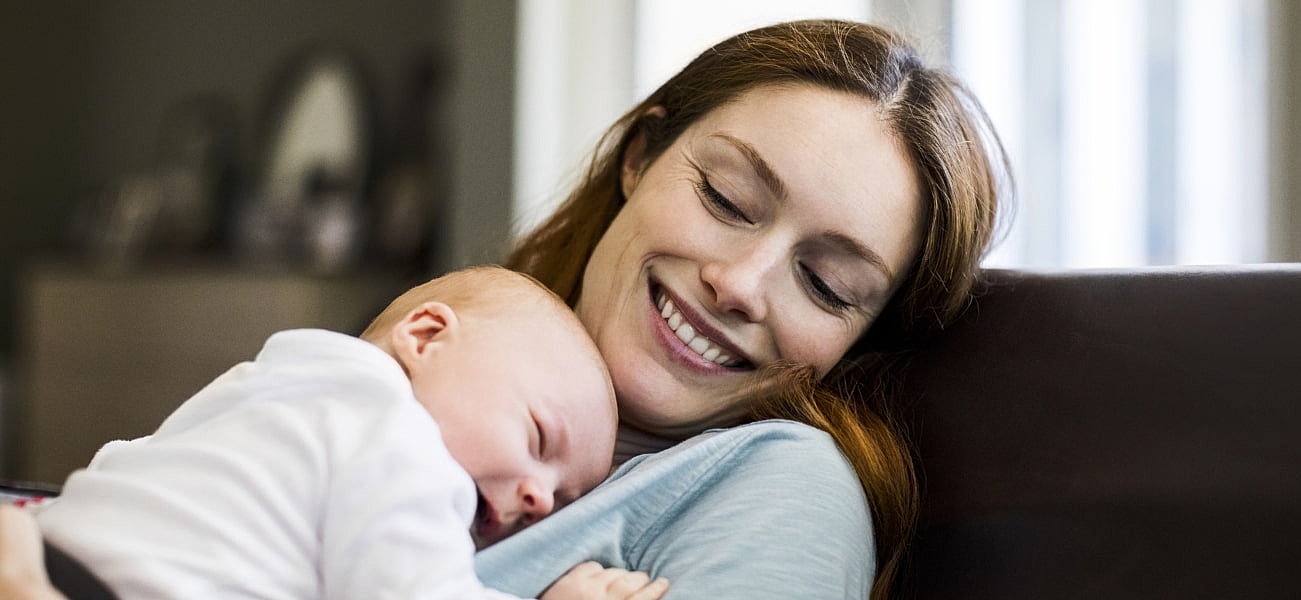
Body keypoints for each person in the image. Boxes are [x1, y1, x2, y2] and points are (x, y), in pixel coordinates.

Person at [1, 18, 1007, 600]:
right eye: (729, 200)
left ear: (860, 341)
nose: (742, 286)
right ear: (641, 155)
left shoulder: (783, 488)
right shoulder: (416, 385)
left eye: (829, 285)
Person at [29, 266, 670, 599]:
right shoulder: (398, 438)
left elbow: (126, 460)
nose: (538, 497)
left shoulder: (270, 382)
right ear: (424, 338)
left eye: (560, 501)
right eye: (537, 439)